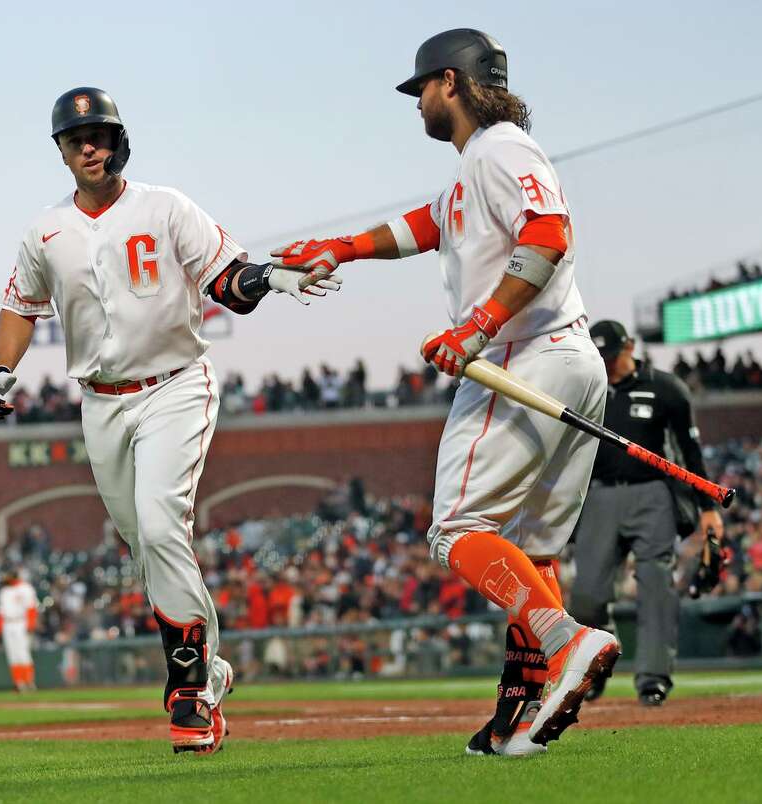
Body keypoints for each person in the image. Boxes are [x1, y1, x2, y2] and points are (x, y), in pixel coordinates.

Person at [271, 28, 616, 757]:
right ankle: (521, 711)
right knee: (530, 546)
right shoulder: (479, 166)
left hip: (521, 360)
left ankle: (565, 641)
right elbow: (428, 224)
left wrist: (479, 326)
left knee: (457, 532)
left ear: (451, 84)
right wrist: (345, 247)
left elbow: (550, 235)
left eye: (422, 87)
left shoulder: (500, 149)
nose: (417, 101)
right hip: (571, 357)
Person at [0, 87, 339, 754]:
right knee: (147, 551)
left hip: (175, 384)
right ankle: (212, 670)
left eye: (100, 133)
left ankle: (186, 689)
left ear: (120, 140)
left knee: (158, 522)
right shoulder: (44, 231)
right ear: (61, 152)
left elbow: (226, 280)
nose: (89, 145)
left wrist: (268, 277)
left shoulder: (165, 206)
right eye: (75, 138)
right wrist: (3, 370)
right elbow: (18, 306)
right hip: (100, 401)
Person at [570, 320, 724, 706]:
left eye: (611, 355)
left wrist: (707, 508)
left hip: (653, 495)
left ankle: (653, 679)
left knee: (656, 585)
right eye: (599, 357)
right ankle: (598, 662)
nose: (606, 364)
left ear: (630, 347)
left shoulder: (666, 388)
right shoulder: (585, 389)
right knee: (586, 594)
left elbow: (691, 455)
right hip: (599, 496)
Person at [0, 569, 38, 691]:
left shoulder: (26, 588)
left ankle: (29, 681)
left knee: (23, 653)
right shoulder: (4, 591)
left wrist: (30, 624)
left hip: (21, 622)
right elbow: (2, 613)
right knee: (12, 655)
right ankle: (18, 683)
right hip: (8, 623)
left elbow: (31, 608)